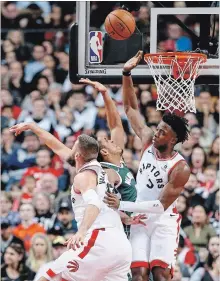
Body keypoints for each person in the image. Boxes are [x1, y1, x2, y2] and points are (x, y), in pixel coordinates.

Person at [104, 51, 191, 281]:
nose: (156, 133)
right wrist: (126, 73)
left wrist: (126, 205)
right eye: (158, 128)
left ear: (173, 140)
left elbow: (161, 206)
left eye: (163, 132)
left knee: (160, 274)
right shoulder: (146, 140)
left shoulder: (180, 168)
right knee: (138, 274)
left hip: (163, 220)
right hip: (139, 219)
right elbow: (131, 109)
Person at [10, 123, 132, 281]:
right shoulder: (104, 172)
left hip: (99, 240)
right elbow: (56, 146)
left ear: (77, 155)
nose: (68, 149)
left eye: (73, 146)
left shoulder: (84, 176)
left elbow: (94, 203)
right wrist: (33, 127)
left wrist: (81, 231)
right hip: (121, 245)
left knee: (48, 274)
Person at [79, 78, 137, 238]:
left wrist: (105, 94)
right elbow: (100, 200)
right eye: (108, 141)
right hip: (122, 234)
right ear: (105, 152)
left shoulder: (119, 163)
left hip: (132, 230)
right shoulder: (109, 171)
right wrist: (121, 214)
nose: (112, 140)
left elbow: (116, 126)